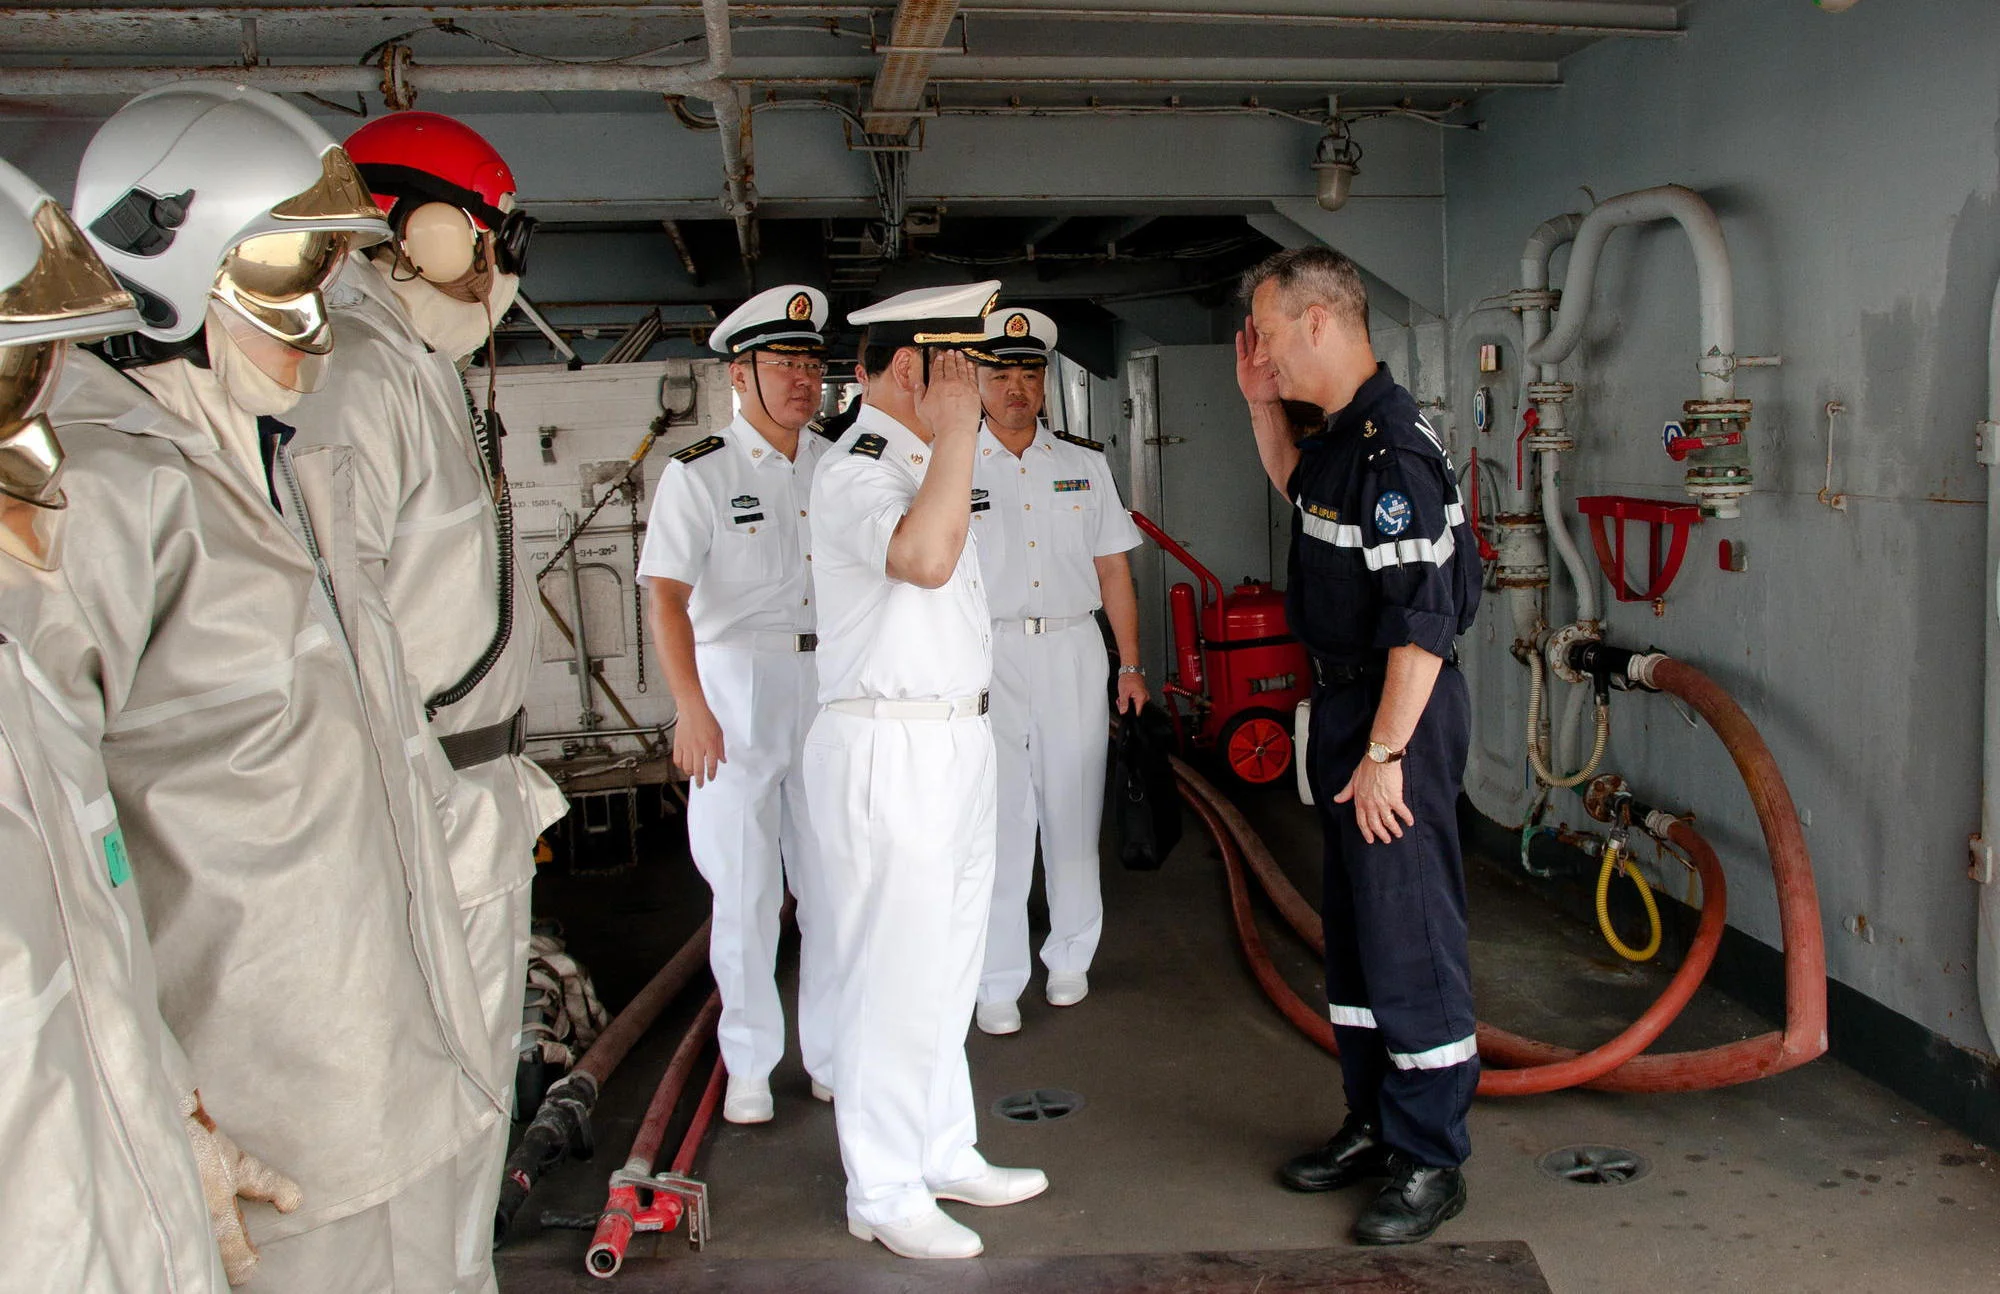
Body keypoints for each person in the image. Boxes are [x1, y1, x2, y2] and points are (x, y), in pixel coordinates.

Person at [56, 83, 500, 1291]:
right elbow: (40, 853)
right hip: (268, 1136)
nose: (319, 322)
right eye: (289, 277)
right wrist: (159, 1106)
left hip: (402, 1070)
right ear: (180, 269)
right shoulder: (96, 495)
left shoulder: (288, 465)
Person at [285, 111, 567, 1288]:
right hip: (424, 798)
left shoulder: (422, 371)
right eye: (485, 239)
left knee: (470, 1099)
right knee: (434, 1102)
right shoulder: (357, 376)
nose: (495, 270)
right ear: (426, 227)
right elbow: (332, 626)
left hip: (470, 793)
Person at [0, 156, 243, 1294]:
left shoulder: (22, 678)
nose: (41, 424)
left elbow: (83, 942)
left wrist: (177, 1114)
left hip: (131, 1212)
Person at [1234, 246, 1482, 1245]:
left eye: (1266, 332)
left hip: (1395, 717)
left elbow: (1421, 622)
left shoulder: (1395, 453)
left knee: (1408, 932)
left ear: (1319, 322)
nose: (1260, 351)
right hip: (1347, 711)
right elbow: (1302, 492)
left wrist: (1382, 754)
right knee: (1356, 934)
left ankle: (1429, 1155)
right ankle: (1375, 1121)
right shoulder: (1335, 440)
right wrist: (1259, 404)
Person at [803, 281, 1047, 1261]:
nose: (982, 388)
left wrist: (947, 440)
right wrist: (952, 436)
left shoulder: (923, 455)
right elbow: (923, 559)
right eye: (966, 368)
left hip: (952, 741)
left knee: (945, 962)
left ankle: (940, 1145)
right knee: (888, 974)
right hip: (886, 747)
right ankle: (883, 1184)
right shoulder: (859, 465)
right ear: (915, 369)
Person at [637, 283, 836, 1124]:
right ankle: (751, 1066)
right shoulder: (700, 475)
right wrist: (691, 707)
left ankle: (830, 1052)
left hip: (826, 686)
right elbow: (666, 598)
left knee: (832, 882)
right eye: (783, 363)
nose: (802, 378)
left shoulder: (835, 465)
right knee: (747, 888)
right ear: (739, 375)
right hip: (734, 685)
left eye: (810, 362)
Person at [963, 306, 1146, 1036]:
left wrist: (1130, 665)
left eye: (1029, 372)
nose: (1016, 387)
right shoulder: (949, 464)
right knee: (998, 823)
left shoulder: (1083, 463)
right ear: (975, 379)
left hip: (1073, 647)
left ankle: (1070, 955)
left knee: (1073, 809)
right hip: (986, 655)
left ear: (1045, 381)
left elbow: (1113, 572)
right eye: (1001, 372)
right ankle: (997, 978)